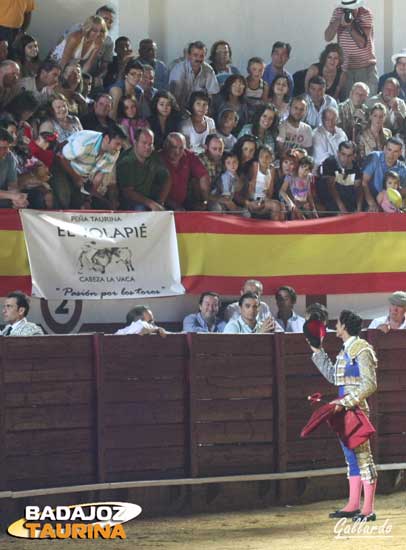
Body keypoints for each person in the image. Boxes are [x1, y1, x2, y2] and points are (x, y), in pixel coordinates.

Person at [309, 309, 378, 522]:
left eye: (338, 323)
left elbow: (370, 384)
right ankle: (353, 504)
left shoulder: (362, 349)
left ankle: (368, 510)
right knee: (351, 458)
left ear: (345, 326)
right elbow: (333, 377)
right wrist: (317, 351)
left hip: (355, 409)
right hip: (343, 409)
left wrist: (346, 402)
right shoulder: (345, 350)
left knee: (364, 457)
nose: (335, 326)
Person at [52, 125, 125, 209]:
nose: (119, 148)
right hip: (61, 167)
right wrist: (76, 177)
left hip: (82, 176)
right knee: (64, 197)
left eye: (121, 145)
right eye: (117, 144)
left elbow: (99, 176)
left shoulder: (114, 152)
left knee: (79, 203)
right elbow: (62, 157)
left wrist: (88, 198)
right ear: (106, 139)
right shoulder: (85, 142)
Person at [324, 0, 378, 96]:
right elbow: (327, 37)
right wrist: (339, 20)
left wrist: (349, 25)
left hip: (366, 68)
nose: (349, 12)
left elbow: (362, 43)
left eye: (352, 9)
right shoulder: (338, 12)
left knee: (367, 103)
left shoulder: (365, 13)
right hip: (346, 69)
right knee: (347, 103)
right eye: (347, 9)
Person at [116, 127, 170, 211]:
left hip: (150, 198)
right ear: (135, 142)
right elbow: (128, 192)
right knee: (141, 208)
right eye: (144, 143)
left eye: (150, 144)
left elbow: (167, 178)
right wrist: (151, 204)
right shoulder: (126, 161)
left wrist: (160, 201)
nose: (148, 147)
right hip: (129, 202)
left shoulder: (154, 156)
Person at [160, 132, 209, 210]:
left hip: (185, 201)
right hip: (163, 203)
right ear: (166, 146)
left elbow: (203, 175)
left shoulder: (188, 156)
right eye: (174, 147)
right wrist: (175, 206)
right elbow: (155, 191)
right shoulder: (158, 159)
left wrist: (205, 201)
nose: (178, 152)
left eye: (181, 148)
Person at [168, 41, 219, 111]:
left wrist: (208, 111)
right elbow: (174, 96)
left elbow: (212, 94)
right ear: (189, 56)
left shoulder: (208, 70)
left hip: (200, 109)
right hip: (180, 108)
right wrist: (181, 112)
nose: (198, 59)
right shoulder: (179, 69)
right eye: (195, 55)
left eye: (202, 56)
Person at [361, 137, 406, 211]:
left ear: (400, 152)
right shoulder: (375, 157)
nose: (391, 155)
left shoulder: (402, 169)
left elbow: (404, 191)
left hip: (391, 206)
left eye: (395, 151)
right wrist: (372, 204)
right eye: (389, 150)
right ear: (384, 148)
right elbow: (364, 182)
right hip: (370, 202)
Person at [318, 140, 362, 214]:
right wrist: (341, 208)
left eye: (349, 155)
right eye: (343, 154)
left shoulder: (355, 167)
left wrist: (359, 209)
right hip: (330, 201)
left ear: (354, 156)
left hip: (348, 202)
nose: (346, 158)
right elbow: (330, 187)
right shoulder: (330, 162)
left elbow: (358, 189)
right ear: (338, 153)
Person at [279, 155, 318, 219]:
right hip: (293, 203)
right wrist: (290, 203)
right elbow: (282, 191)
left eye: (306, 170)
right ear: (298, 166)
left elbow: (309, 194)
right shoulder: (290, 176)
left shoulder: (309, 177)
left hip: (304, 203)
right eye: (302, 167)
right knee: (298, 216)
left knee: (313, 217)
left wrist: (313, 209)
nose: (303, 171)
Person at [0, 128, 28, 209]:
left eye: (7, 147)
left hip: (4, 194)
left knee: (35, 197)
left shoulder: (9, 157)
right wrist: (12, 195)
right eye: (1, 148)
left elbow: (12, 184)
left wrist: (18, 199)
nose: (5, 151)